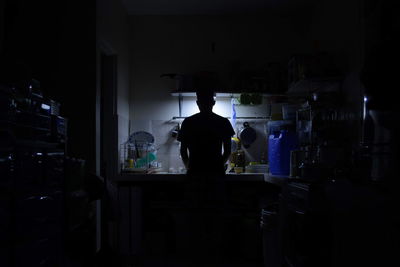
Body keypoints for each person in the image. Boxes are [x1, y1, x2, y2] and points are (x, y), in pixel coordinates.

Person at [177, 88, 235, 264]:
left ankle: (197, 255)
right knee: (215, 215)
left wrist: (189, 167)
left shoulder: (189, 122)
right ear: (213, 103)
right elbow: (228, 150)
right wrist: (221, 164)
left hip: (195, 174)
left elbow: (183, 150)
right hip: (215, 174)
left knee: (195, 216)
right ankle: (214, 255)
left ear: (198, 103)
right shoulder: (222, 122)